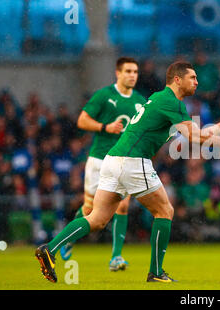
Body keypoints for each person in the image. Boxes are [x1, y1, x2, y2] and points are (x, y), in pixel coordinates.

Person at [35, 61, 220, 283]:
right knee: (165, 211)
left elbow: (194, 135)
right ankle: (156, 272)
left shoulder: (160, 99)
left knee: (98, 219)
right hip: (133, 161)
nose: (197, 82)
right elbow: (195, 137)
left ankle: (49, 249)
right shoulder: (172, 102)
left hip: (112, 160)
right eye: (193, 78)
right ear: (177, 80)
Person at [59, 57, 146, 272]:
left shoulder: (140, 101)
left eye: (135, 71)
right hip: (99, 159)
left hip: (122, 162)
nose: (132, 75)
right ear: (118, 73)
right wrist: (104, 127)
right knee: (90, 210)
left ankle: (116, 257)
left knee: (123, 205)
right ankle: (68, 239)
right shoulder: (104, 96)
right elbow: (82, 120)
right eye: (128, 71)